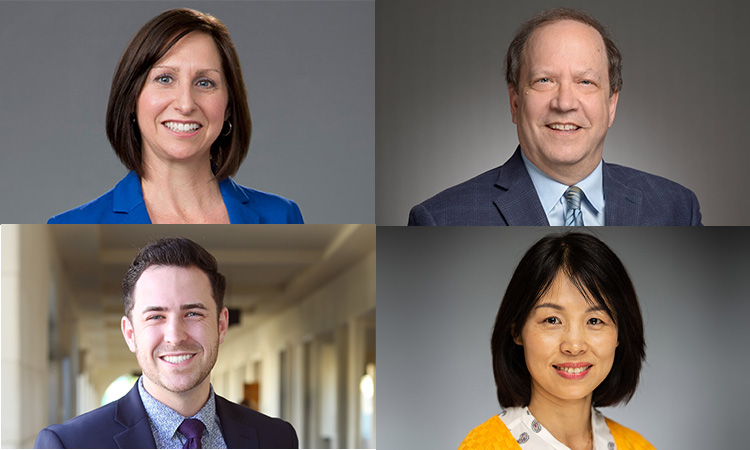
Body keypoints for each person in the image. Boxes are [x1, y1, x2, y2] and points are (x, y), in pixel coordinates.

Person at [409, 7, 701, 226]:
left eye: (585, 82)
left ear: (611, 105)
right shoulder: (440, 219)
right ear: (514, 101)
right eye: (544, 80)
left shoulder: (676, 208)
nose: (564, 103)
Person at [35, 237, 299, 448]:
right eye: (156, 316)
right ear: (130, 334)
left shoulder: (276, 439)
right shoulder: (70, 444)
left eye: (193, 313)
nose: (175, 336)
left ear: (220, 325)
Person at [48, 9, 303, 224]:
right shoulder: (68, 228)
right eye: (165, 79)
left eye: (205, 83)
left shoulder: (282, 217)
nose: (185, 104)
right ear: (131, 99)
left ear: (228, 106)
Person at [458, 232, 654, 450]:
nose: (574, 345)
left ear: (620, 334)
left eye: (595, 320)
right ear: (516, 331)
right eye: (552, 320)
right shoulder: (483, 446)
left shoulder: (638, 446)